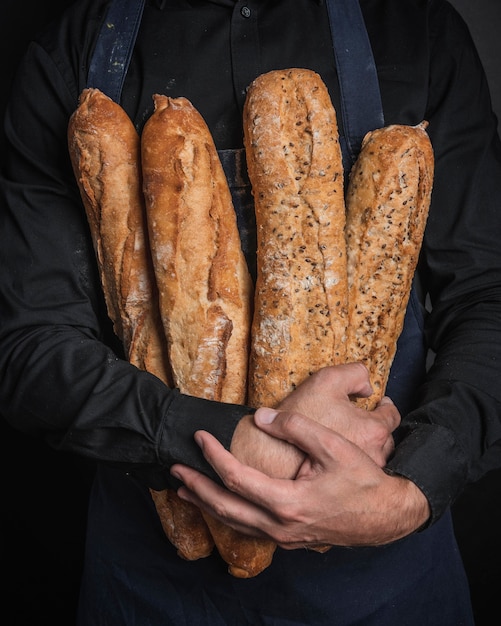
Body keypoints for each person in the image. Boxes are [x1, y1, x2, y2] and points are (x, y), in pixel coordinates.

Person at [1, 0, 500, 624]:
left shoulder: (416, 28)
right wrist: (224, 442)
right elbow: (28, 343)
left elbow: (489, 294)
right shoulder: (74, 52)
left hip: (388, 581)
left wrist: (411, 491)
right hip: (150, 587)